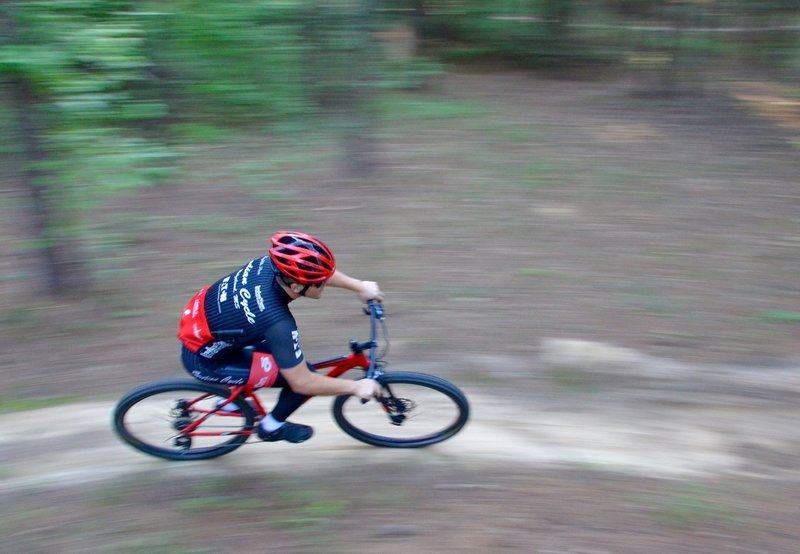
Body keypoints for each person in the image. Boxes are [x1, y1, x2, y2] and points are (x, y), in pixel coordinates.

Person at [177, 230, 384, 444]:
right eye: (320, 283)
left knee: (283, 358)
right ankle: (271, 427)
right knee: (305, 376)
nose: (324, 285)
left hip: (211, 333)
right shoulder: (278, 324)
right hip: (207, 361)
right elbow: (303, 383)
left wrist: (358, 286)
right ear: (295, 286)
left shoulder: (268, 265)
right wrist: (356, 387)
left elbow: (314, 272)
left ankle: (232, 402)